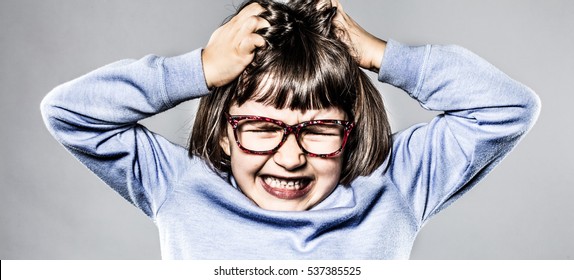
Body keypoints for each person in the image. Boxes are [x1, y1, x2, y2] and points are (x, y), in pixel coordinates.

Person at [41, 0, 540, 259]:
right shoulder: (179, 185)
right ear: (221, 132)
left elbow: (507, 107)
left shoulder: (397, 186)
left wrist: (377, 52)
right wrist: (197, 69)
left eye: (320, 128)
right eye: (261, 126)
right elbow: (69, 112)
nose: (290, 157)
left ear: (353, 130)